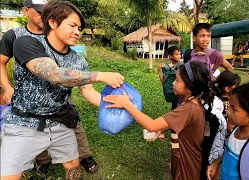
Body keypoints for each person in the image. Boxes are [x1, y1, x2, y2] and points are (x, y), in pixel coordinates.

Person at [0, 1, 124, 180]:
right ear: (52, 23)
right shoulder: (26, 42)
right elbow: (53, 74)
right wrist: (100, 75)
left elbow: (89, 92)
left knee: (73, 166)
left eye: (79, 28)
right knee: (8, 176)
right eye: (72, 25)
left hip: (60, 122)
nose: (77, 32)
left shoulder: (78, 61)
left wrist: (114, 105)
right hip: (23, 123)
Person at [105, 61, 212, 180]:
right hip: (185, 158)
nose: (173, 83)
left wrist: (127, 104)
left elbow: (151, 125)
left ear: (190, 89)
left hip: (186, 166)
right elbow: (182, 125)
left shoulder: (187, 109)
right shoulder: (194, 103)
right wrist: (162, 129)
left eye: (177, 80)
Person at [207, 81, 249, 180]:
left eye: (233, 109)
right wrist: (216, 163)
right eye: (229, 105)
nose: (228, 111)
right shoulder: (235, 131)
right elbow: (229, 151)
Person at [158, 46, 183, 110]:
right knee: (175, 108)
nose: (179, 56)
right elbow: (164, 82)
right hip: (173, 93)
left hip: (182, 93)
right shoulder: (167, 68)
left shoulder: (183, 66)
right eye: (176, 54)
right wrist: (159, 71)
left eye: (180, 54)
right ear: (171, 56)